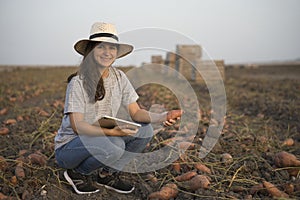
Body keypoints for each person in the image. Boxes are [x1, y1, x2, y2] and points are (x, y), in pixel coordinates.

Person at [54, 22, 182, 195]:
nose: (107, 52)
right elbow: (78, 127)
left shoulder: (119, 77)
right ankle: (77, 173)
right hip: (70, 147)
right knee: (115, 145)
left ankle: (107, 174)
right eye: (101, 47)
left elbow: (136, 112)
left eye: (112, 48)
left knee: (145, 131)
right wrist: (114, 133)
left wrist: (163, 116)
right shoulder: (78, 82)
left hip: (102, 136)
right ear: (91, 50)